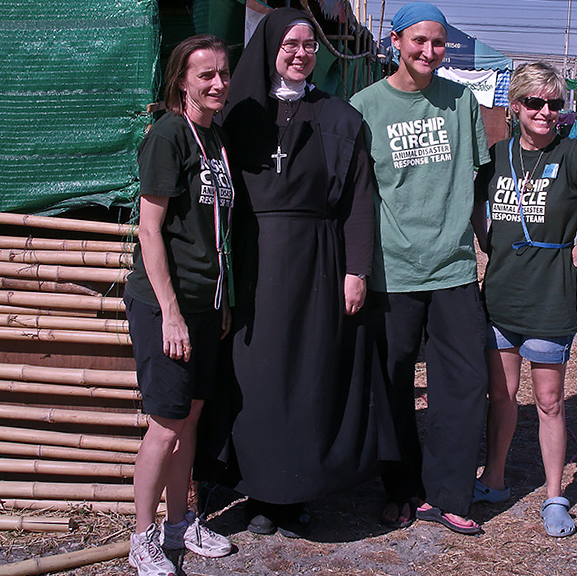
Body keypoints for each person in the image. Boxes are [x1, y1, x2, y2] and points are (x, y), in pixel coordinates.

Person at [197, 8, 384, 539]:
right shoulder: (238, 115)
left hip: (319, 262)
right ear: (269, 48)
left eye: (310, 44)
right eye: (291, 44)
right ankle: (258, 488)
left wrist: (356, 270)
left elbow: (358, 200)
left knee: (309, 372)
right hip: (254, 262)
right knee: (255, 377)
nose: (302, 53)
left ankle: (300, 490)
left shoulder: (342, 118)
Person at [472, 62, 577, 538]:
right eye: (535, 102)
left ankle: (555, 496)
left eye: (554, 104)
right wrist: (484, 237)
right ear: (515, 106)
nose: (545, 111)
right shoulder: (495, 156)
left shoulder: (575, 156)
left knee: (548, 402)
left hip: (550, 303)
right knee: (502, 396)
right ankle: (495, 480)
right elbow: (471, 201)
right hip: (501, 298)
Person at [351, 2, 489, 536]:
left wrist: (488, 242)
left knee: (464, 382)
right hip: (393, 271)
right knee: (391, 385)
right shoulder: (364, 107)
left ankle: (450, 493)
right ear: (394, 41)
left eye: (438, 43)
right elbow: (357, 198)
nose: (429, 52)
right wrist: (356, 268)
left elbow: (476, 187)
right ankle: (402, 487)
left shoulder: (462, 102)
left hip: (453, 268)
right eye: (419, 41)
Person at [123, 35, 234, 576]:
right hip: (166, 304)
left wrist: (220, 301)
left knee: (189, 419)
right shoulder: (168, 135)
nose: (217, 84)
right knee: (166, 423)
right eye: (205, 74)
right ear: (181, 79)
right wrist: (169, 310)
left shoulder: (216, 139)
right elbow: (150, 229)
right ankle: (141, 536)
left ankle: (178, 522)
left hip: (205, 303)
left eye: (223, 73)